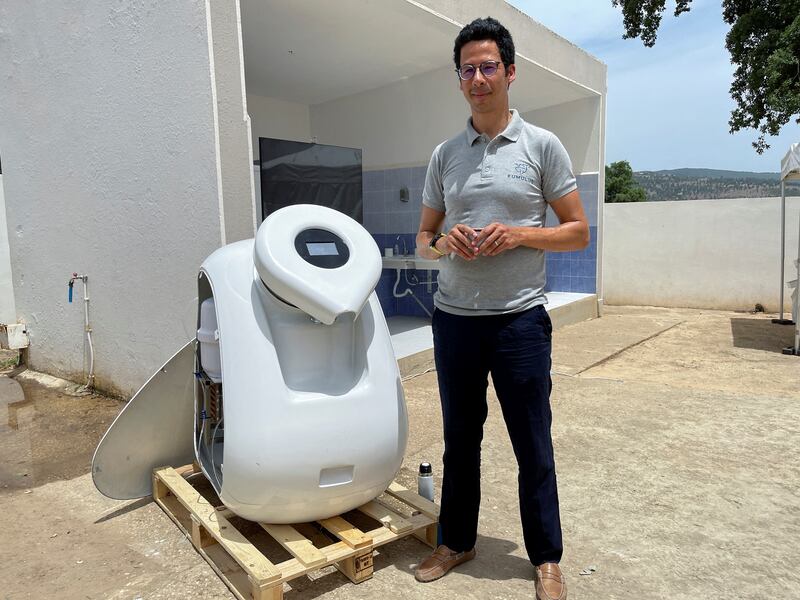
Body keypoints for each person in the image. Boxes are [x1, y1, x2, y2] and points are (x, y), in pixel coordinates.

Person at [413, 16, 589, 600]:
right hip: (455, 319)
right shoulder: (445, 155)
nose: (479, 78)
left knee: (532, 442)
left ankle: (545, 558)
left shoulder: (541, 146)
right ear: (459, 79)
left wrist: (518, 235)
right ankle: (456, 540)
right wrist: (446, 242)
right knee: (460, 440)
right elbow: (423, 240)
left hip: (519, 321)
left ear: (510, 73)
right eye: (469, 69)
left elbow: (577, 231)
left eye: (489, 66)